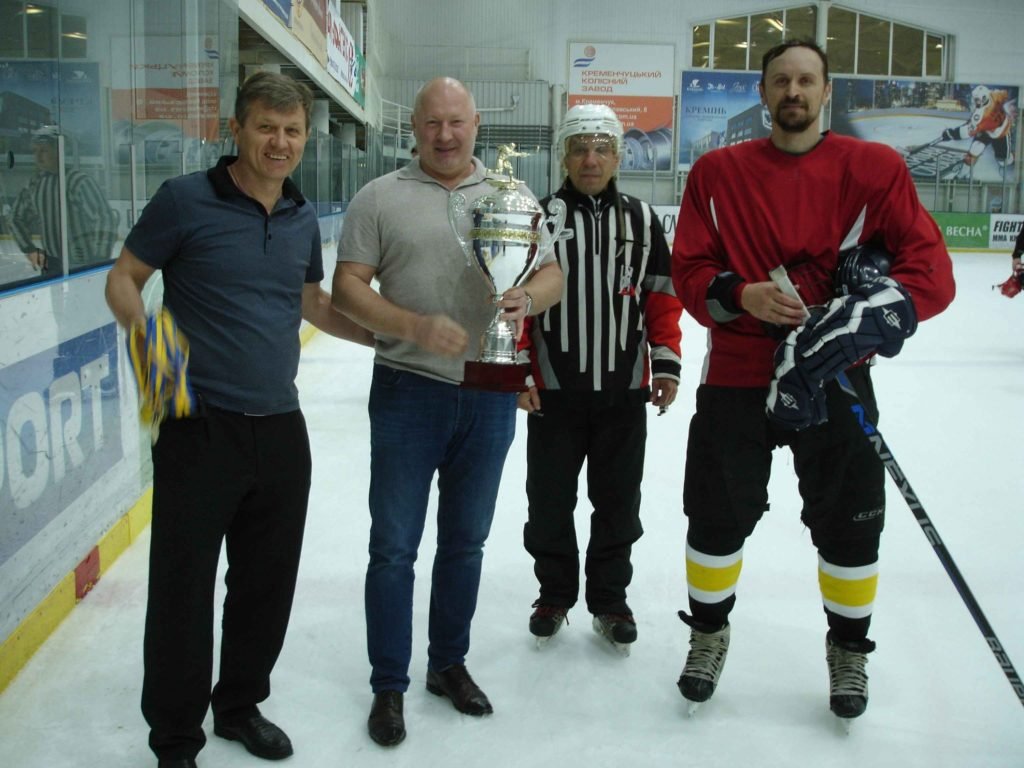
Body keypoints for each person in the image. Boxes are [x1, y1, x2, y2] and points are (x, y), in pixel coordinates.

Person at [671, 40, 955, 723]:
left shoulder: (875, 168)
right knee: (715, 515)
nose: (793, 91)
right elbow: (689, 271)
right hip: (737, 376)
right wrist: (741, 294)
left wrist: (867, 318)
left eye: (806, 80)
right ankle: (707, 634)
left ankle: (849, 648)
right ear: (763, 93)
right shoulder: (716, 172)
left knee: (851, 521)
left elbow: (931, 272)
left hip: (837, 380)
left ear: (827, 92)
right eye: (780, 81)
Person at [104, 71, 373, 768]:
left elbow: (310, 304)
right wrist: (152, 350)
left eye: (292, 131)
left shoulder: (300, 216)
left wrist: (388, 339)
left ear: (305, 138)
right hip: (200, 426)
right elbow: (124, 278)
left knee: (265, 585)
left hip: (280, 425)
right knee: (183, 590)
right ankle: (175, 738)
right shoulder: (184, 200)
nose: (280, 143)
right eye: (266, 128)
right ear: (237, 129)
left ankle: (240, 706)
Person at [332, 76, 563, 748]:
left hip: (489, 393)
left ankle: (447, 664)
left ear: (476, 124)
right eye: (432, 122)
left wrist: (528, 299)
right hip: (408, 389)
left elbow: (552, 274)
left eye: (457, 121)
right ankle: (388, 684)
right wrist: (412, 325)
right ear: (414, 126)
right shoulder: (380, 197)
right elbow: (346, 287)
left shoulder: (511, 198)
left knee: (465, 542)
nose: (445, 134)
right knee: (393, 547)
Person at [517, 103, 682, 652]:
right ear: (563, 155)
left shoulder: (642, 220)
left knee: (617, 503)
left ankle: (610, 601)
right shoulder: (537, 218)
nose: (591, 159)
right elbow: (516, 301)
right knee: (549, 502)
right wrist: (519, 370)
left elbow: (661, 296)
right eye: (580, 148)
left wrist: (666, 361)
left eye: (602, 148)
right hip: (554, 393)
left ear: (618, 156)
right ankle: (554, 594)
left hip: (623, 393)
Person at [11, 124, 118, 275]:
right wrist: (29, 249)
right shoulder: (34, 185)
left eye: (44, 150)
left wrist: (99, 257)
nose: (38, 157)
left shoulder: (78, 181)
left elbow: (104, 218)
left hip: (83, 262)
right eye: (35, 151)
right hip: (51, 263)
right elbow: (15, 218)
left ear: (58, 151)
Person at [940, 84, 1016, 175]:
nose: (975, 101)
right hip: (986, 130)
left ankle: (1015, 159)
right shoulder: (995, 94)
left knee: (1004, 162)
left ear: (983, 98)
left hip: (1001, 133)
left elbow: (966, 132)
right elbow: (1008, 95)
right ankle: (962, 175)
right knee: (976, 148)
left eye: (976, 99)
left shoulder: (980, 116)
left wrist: (950, 134)